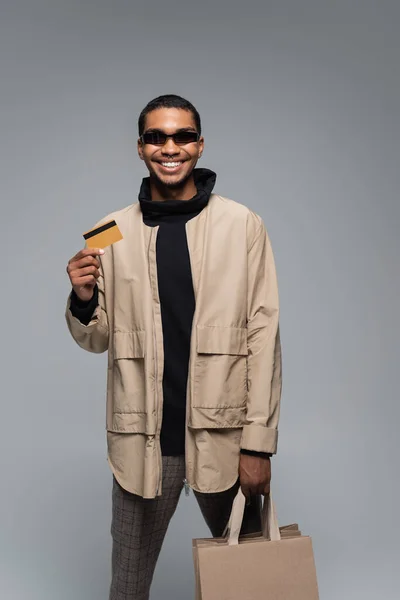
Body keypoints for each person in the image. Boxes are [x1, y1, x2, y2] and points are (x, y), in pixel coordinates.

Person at [65, 94, 282, 600]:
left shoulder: (242, 224)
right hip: (141, 443)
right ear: (139, 148)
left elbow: (264, 335)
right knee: (128, 586)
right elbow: (97, 339)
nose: (170, 147)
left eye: (182, 136)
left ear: (200, 145)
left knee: (252, 585)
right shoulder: (106, 231)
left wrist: (258, 443)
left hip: (226, 438)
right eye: (156, 137)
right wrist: (81, 298)